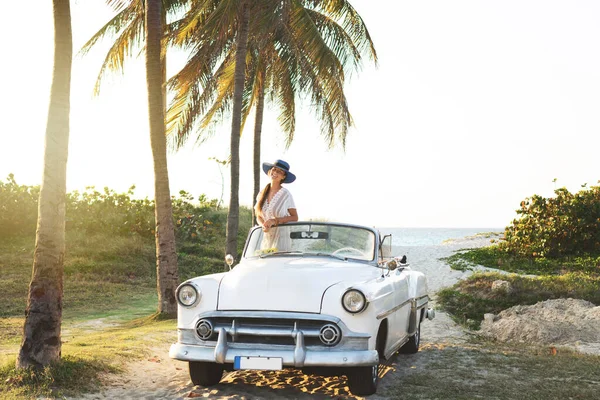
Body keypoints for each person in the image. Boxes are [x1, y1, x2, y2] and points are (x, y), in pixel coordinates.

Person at [254, 159, 298, 250]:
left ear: (283, 177)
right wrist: (263, 225)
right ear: (269, 171)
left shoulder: (286, 195)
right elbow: (258, 216)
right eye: (274, 169)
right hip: (266, 238)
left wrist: (274, 221)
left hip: (281, 239)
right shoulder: (261, 193)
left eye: (280, 172)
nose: (275, 172)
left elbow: (295, 217)